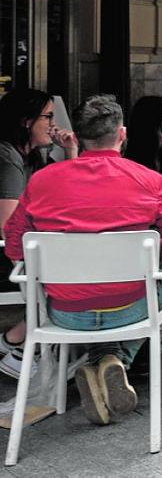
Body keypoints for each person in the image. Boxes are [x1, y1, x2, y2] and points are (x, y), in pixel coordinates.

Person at [4, 94, 162, 425]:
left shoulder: (42, 181)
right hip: (133, 307)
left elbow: (14, 246)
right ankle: (115, 359)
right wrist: (157, 254)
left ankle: (100, 361)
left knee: (115, 290)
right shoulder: (149, 180)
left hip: (64, 314)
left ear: (78, 137)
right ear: (121, 135)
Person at [0, 89, 79, 379]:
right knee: (69, 271)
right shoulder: (7, 157)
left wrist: (70, 152)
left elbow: (66, 191)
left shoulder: (32, 156)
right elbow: (7, 226)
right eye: (47, 117)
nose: (53, 124)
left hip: (19, 250)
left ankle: (16, 339)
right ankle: (22, 352)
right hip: (7, 254)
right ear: (25, 121)